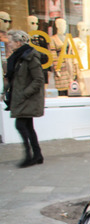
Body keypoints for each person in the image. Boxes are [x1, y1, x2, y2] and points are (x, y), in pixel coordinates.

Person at [2, 30, 45, 167]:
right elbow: (13, 78)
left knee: (21, 125)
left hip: (26, 98)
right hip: (20, 97)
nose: (9, 45)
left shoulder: (30, 57)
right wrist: (5, 92)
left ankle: (29, 156)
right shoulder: (17, 57)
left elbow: (38, 79)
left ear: (18, 42)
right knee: (27, 126)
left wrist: (24, 94)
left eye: (11, 42)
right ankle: (37, 155)